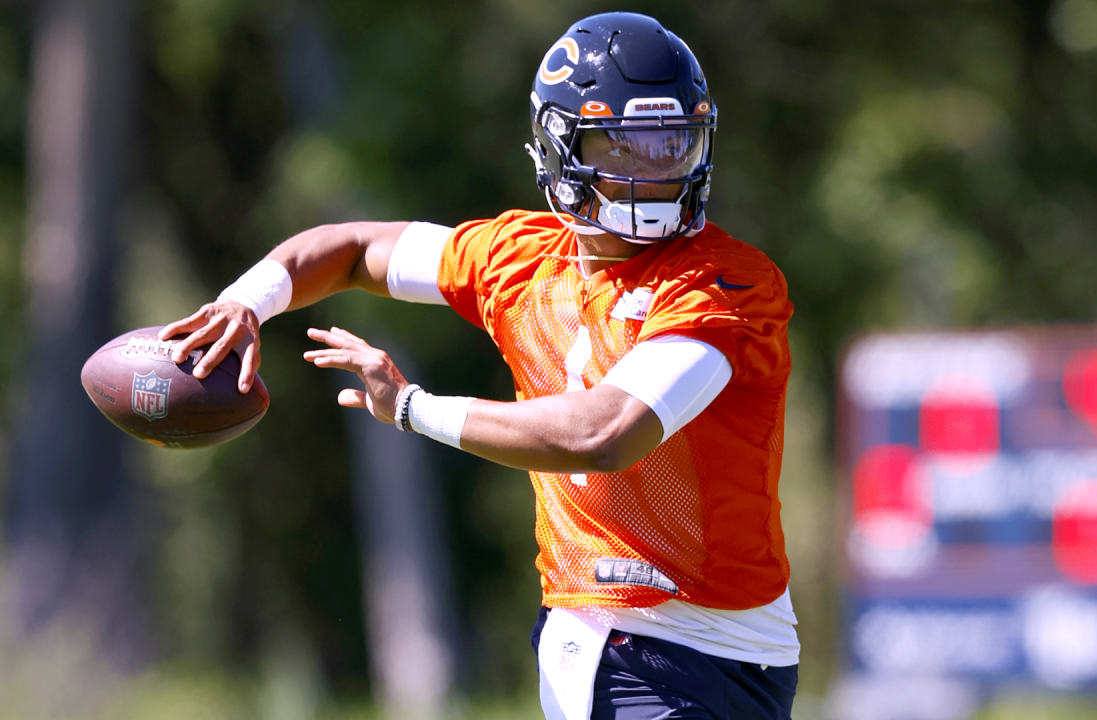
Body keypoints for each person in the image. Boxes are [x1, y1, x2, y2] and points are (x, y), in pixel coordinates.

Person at [161, 11, 798, 719]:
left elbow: (605, 432)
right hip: (620, 639)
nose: (654, 170)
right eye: (623, 147)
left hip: (754, 650)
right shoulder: (519, 258)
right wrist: (245, 301)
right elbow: (348, 249)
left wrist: (412, 407)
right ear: (561, 146)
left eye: (671, 144)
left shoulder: (724, 282)